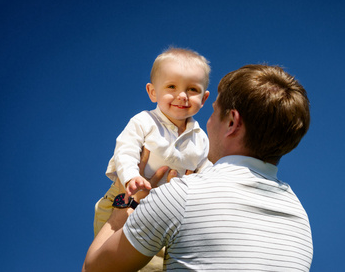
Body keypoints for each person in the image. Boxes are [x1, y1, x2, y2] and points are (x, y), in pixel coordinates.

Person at [83, 64, 313, 272]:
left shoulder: (181, 195)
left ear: (232, 122)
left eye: (213, 111)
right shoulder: (301, 221)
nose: (208, 122)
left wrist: (129, 202)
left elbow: (94, 270)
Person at [93, 47, 211, 270]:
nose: (182, 95)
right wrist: (131, 177)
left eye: (192, 89)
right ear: (153, 92)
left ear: (204, 98)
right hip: (125, 199)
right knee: (112, 259)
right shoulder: (144, 121)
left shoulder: (201, 138)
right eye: (171, 87)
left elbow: (206, 168)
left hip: (165, 211)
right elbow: (125, 150)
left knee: (154, 265)